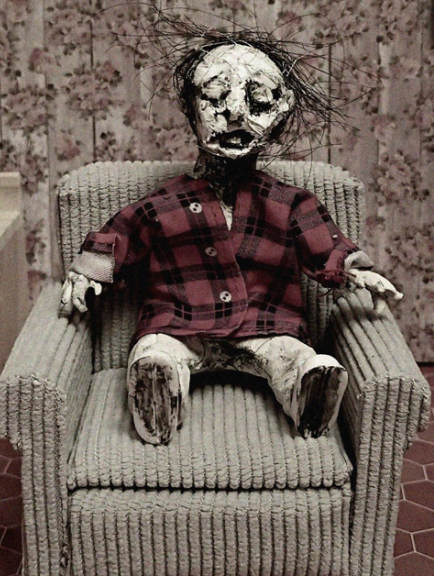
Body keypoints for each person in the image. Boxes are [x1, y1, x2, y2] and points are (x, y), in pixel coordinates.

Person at [58, 40, 402, 445]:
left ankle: (306, 390)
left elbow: (325, 245)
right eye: (216, 98)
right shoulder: (164, 203)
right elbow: (123, 233)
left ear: (281, 110)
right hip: (178, 323)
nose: (236, 113)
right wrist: (89, 272)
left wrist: (355, 270)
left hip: (267, 324)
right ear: (191, 108)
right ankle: (158, 393)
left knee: (292, 356)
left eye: (258, 102)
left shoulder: (289, 202)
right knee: (155, 351)